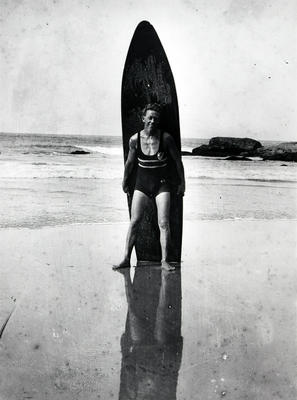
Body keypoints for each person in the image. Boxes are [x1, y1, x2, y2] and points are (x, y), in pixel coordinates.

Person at [114, 103, 185, 271]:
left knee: (163, 222)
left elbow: (177, 162)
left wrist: (182, 183)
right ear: (143, 118)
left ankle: (164, 261)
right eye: (150, 117)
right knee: (134, 221)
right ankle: (125, 258)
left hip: (162, 185)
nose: (152, 121)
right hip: (142, 185)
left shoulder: (166, 138)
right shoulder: (134, 139)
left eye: (155, 118)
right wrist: (124, 181)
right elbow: (130, 163)